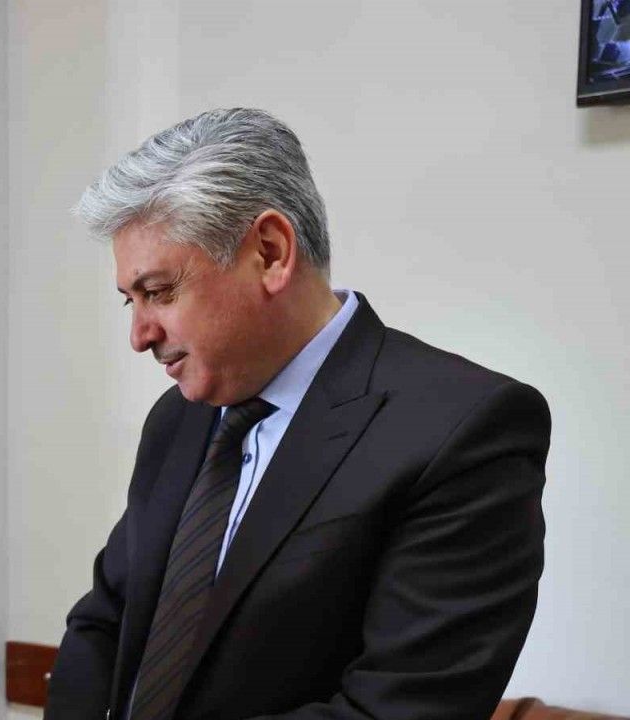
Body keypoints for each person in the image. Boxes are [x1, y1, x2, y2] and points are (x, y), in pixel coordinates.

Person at [44, 108, 550, 720]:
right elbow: (105, 620)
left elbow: (399, 711)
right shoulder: (177, 419)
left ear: (270, 252)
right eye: (131, 301)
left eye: (159, 292)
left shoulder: (463, 429)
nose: (140, 335)